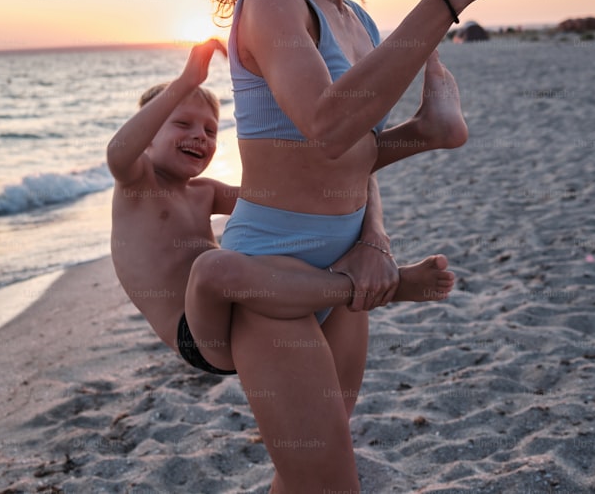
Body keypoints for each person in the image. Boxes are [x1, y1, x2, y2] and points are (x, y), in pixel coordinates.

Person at [206, 0, 527, 491]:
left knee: (308, 474)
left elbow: (350, 156)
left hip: (348, 273)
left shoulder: (358, 21)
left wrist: (413, 155)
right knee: (329, 480)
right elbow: (326, 126)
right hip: (272, 280)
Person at [107, 39, 456, 377]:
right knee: (211, 267)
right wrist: (187, 82)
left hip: (257, 299)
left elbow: (298, 191)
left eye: (211, 130)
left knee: (317, 184)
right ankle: (375, 288)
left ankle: (423, 132)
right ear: (149, 135)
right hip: (204, 336)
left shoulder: (204, 192)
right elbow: (119, 150)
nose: (200, 135)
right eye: (183, 124)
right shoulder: (137, 185)